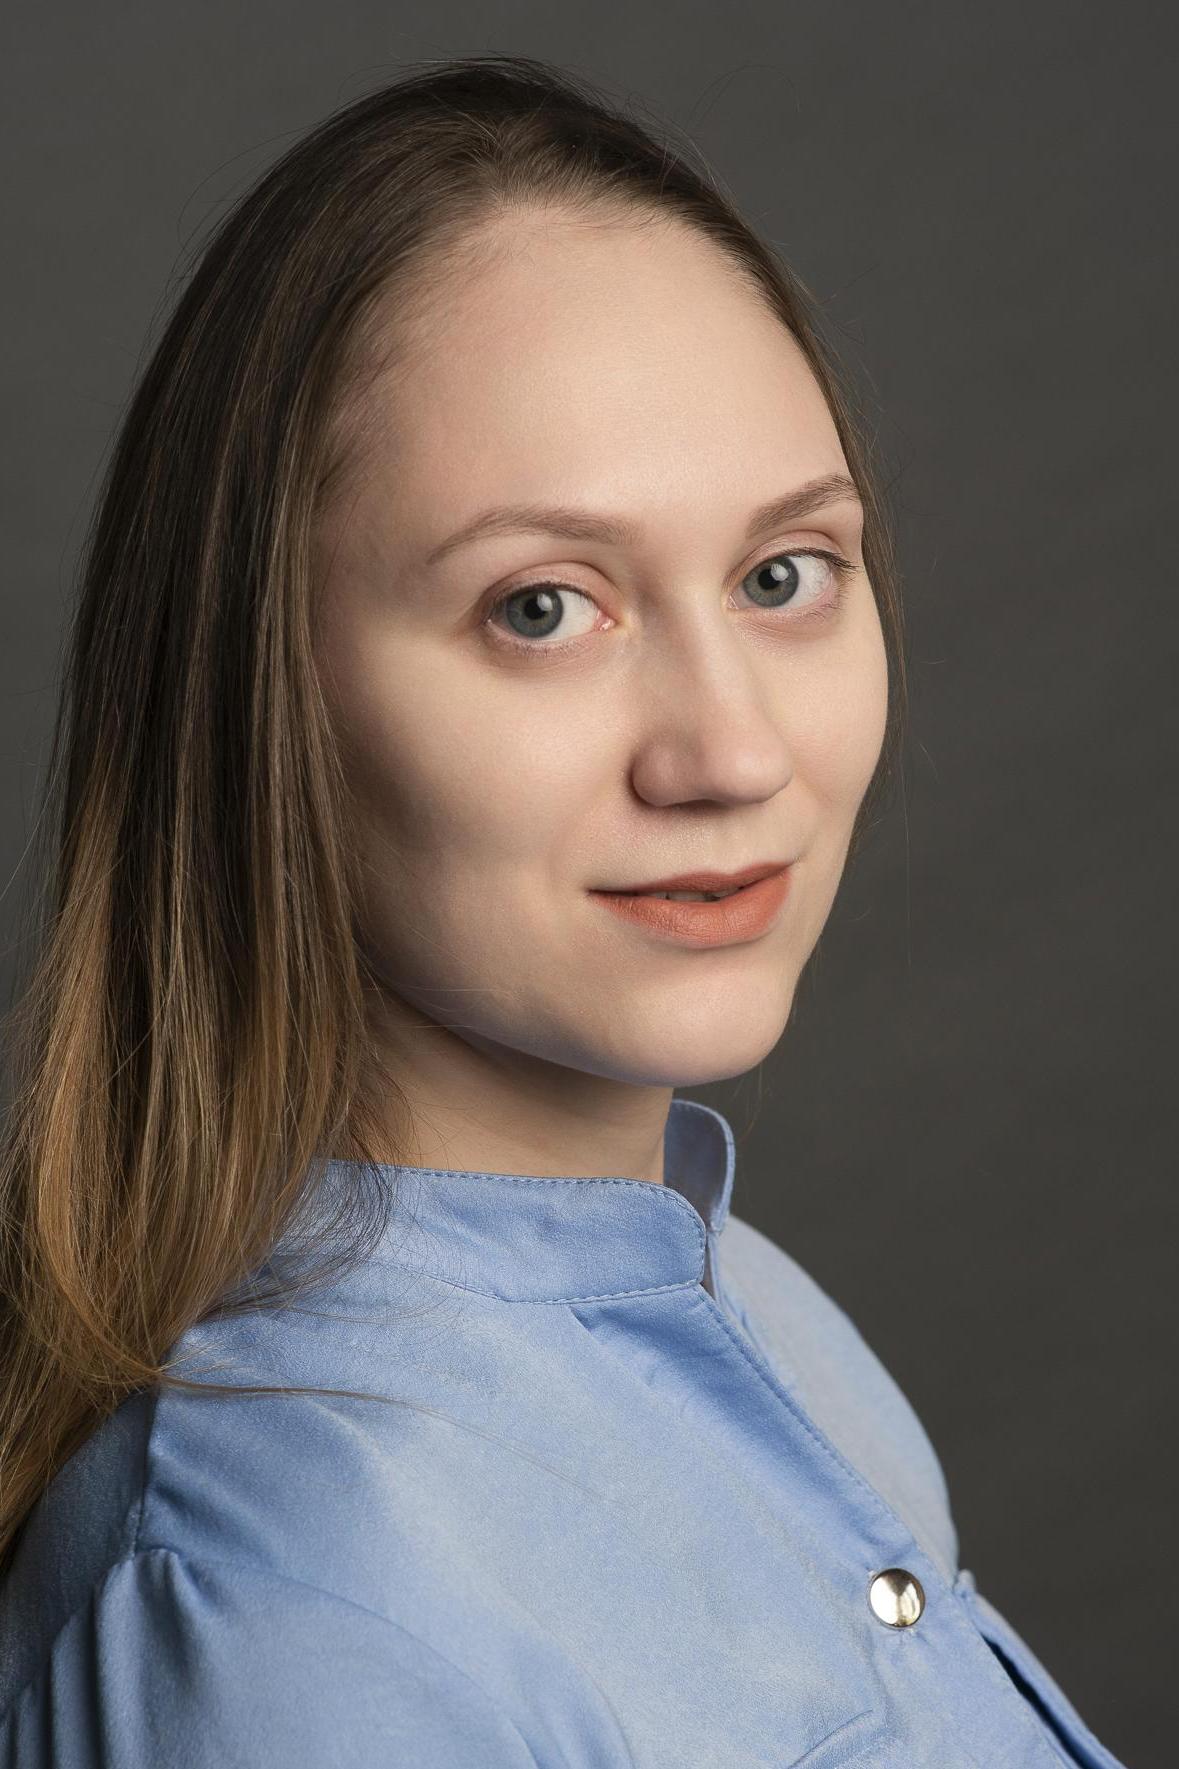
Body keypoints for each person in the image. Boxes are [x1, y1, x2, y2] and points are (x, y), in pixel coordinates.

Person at [0, 52, 1126, 1769]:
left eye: (783, 575)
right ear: (260, 697)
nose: (731, 751)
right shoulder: (296, 1610)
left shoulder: (772, 1320)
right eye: (541, 607)